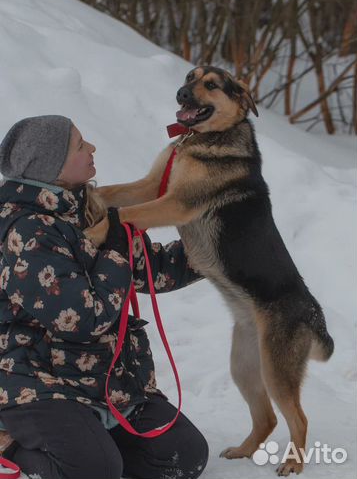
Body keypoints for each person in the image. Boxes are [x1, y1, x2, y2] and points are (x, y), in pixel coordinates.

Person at [0, 115, 208, 479]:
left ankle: (93, 441)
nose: (92, 148)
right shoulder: (27, 232)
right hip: (34, 380)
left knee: (182, 454)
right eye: (80, 145)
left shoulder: (80, 209)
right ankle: (11, 446)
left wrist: (222, 245)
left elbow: (153, 267)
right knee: (94, 470)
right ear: (52, 166)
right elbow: (83, 318)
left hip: (97, 377)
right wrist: (115, 248)